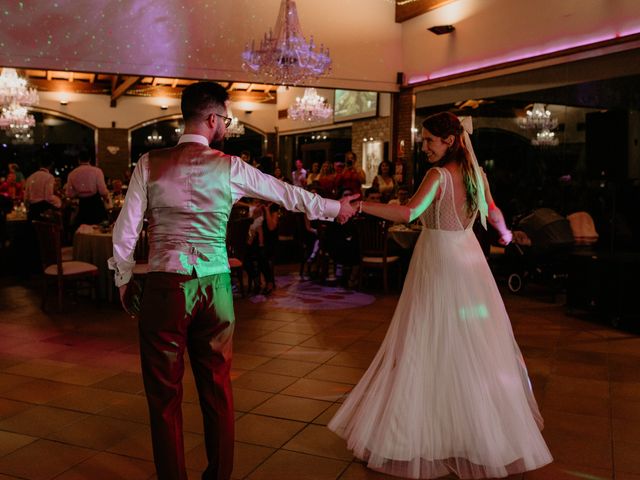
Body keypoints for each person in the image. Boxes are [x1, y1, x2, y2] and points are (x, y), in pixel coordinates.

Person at [108, 81, 357, 480]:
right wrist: (333, 208)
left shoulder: (149, 163)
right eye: (224, 118)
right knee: (218, 390)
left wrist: (122, 277)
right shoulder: (229, 166)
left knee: (164, 396)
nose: (225, 125)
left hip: (166, 288)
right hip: (216, 289)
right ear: (210, 118)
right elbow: (285, 194)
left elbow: (125, 230)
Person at [328, 112, 552, 479]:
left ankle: (415, 436)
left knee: (425, 339)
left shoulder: (438, 175)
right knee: (470, 344)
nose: (425, 146)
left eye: (430, 140)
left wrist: (360, 206)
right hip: (469, 260)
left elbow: (409, 211)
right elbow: (492, 210)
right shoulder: (477, 175)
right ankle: (474, 434)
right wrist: (507, 234)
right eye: (424, 140)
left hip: (439, 260)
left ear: (450, 141)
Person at [65, 148, 109, 226]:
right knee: (98, 230)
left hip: (82, 206)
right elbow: (103, 191)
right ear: (90, 159)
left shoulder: (72, 174)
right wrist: (107, 199)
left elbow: (69, 194)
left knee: (83, 231)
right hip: (96, 205)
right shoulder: (97, 171)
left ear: (78, 160)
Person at [23, 157, 62, 221]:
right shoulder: (49, 177)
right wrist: (59, 202)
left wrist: (27, 208)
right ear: (51, 165)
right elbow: (48, 197)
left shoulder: (31, 177)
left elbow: (26, 197)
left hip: (32, 210)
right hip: (43, 211)